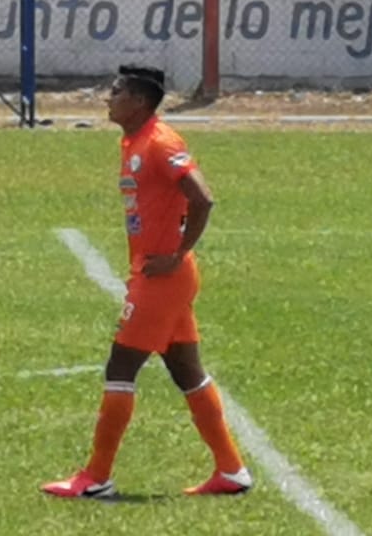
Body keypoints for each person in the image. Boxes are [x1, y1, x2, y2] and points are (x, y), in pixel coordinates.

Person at [42, 66, 251, 499]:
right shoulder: (133, 141)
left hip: (162, 279)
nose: (107, 98)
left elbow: (202, 197)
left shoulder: (159, 143)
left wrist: (176, 253)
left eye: (116, 92)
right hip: (159, 275)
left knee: (120, 367)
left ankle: (96, 478)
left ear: (138, 101)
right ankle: (231, 471)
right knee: (186, 369)